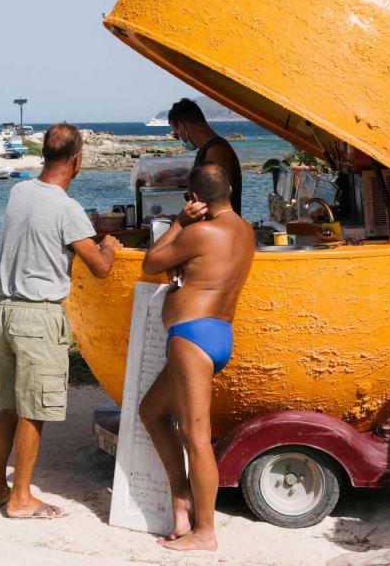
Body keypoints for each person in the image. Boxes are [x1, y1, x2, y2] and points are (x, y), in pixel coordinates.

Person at [0, 122, 123, 519]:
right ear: (77, 161)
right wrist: (109, 245)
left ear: (45, 154)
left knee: (9, 407)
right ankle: (23, 499)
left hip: (3, 310)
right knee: (34, 411)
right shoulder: (68, 209)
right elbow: (98, 267)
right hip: (37, 317)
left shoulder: (19, 190)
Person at [138, 164, 255, 551]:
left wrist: (178, 222)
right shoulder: (245, 230)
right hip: (219, 335)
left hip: (192, 337)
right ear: (232, 189)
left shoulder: (199, 231)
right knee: (151, 412)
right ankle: (182, 497)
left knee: (196, 438)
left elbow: (151, 261)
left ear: (196, 198)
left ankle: (205, 533)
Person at [168, 98, 242, 216]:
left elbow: (212, 204)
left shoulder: (215, 152)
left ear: (182, 126)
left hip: (218, 231)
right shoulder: (210, 150)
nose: (180, 139)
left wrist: (181, 222)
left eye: (177, 135)